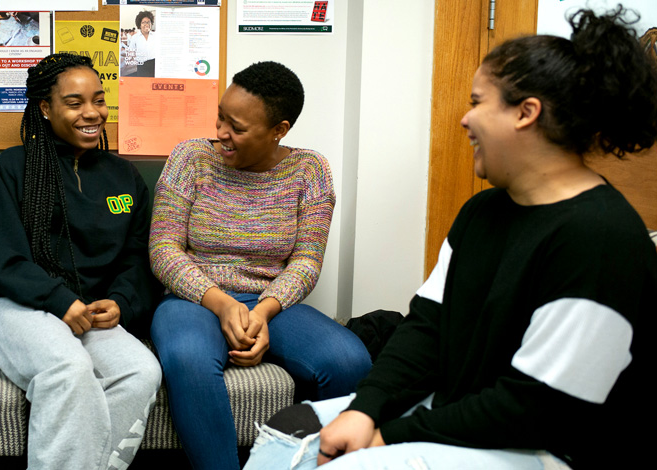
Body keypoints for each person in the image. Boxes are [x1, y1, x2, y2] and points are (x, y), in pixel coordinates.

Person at [243, 7, 657, 470]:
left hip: (548, 445)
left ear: (526, 113)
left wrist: (387, 437)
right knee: (286, 437)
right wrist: (365, 409)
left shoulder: (601, 239)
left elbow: (536, 408)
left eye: (478, 102)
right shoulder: (481, 213)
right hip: (456, 413)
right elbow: (425, 327)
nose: (465, 119)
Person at [149, 61, 373, 470]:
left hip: (269, 299)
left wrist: (264, 312)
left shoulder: (311, 171)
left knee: (349, 360)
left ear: (279, 130)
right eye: (220, 117)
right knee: (188, 357)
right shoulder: (190, 158)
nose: (220, 133)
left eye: (236, 126)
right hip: (192, 298)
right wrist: (220, 303)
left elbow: (306, 261)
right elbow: (163, 249)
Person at [0, 53, 161, 470]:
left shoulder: (124, 178)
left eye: (99, 100)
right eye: (75, 103)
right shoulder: (15, 167)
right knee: (70, 369)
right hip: (11, 305)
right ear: (45, 108)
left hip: (87, 313)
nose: (91, 113)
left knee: (141, 371)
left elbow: (136, 257)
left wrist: (122, 303)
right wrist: (57, 300)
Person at [125, 10, 157, 77]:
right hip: (142, 67)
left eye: (148, 22)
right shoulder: (135, 37)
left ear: (151, 23)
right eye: (143, 22)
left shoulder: (156, 35)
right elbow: (130, 53)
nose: (146, 24)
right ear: (139, 24)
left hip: (155, 65)